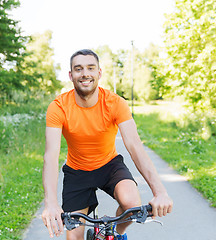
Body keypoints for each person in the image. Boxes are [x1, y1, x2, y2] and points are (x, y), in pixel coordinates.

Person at [42, 49, 173, 240]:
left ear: (99, 73)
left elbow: (135, 146)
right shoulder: (59, 106)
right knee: (73, 238)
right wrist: (51, 203)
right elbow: (51, 155)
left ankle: (112, 234)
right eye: (78, 69)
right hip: (77, 171)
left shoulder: (115, 103)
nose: (85, 73)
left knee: (132, 205)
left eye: (90, 68)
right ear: (71, 75)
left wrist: (160, 192)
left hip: (109, 165)